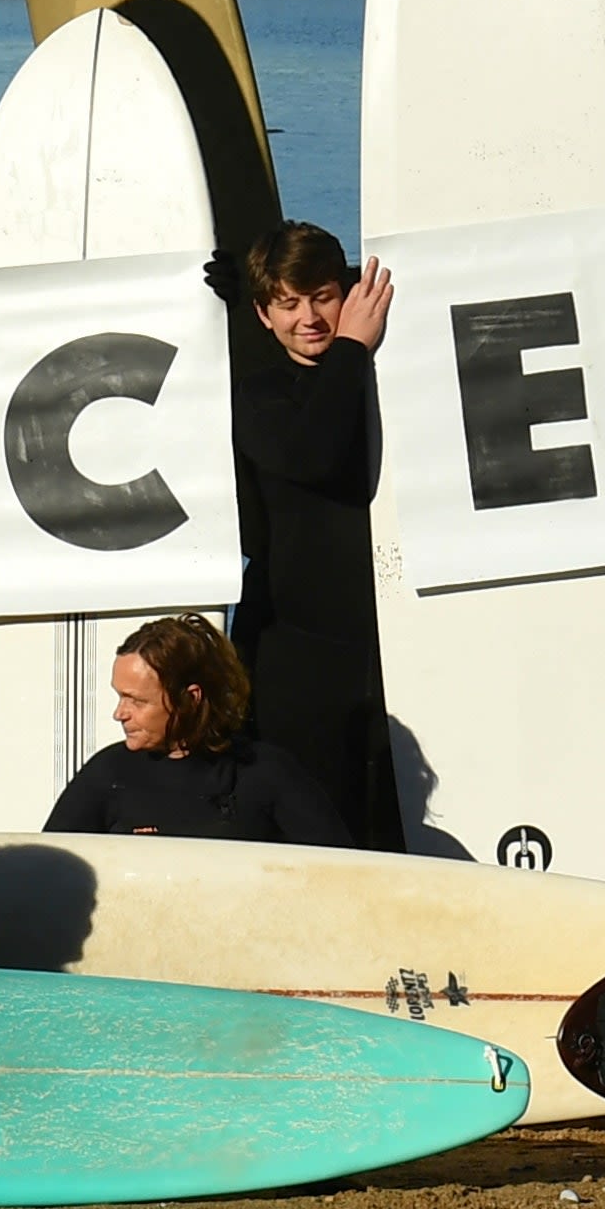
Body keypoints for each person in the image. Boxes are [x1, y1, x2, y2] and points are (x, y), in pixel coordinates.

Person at [225, 223, 396, 849]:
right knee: (319, 833)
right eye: (290, 304)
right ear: (263, 315)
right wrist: (353, 349)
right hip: (296, 653)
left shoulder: (390, 373)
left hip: (394, 639)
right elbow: (313, 454)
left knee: (397, 831)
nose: (311, 319)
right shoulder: (258, 394)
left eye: (323, 297)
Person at [45, 613, 349, 843]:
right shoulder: (109, 774)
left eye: (136, 701)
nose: (119, 714)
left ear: (190, 699)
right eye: (119, 696)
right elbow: (46, 874)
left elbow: (343, 877)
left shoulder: (264, 772)